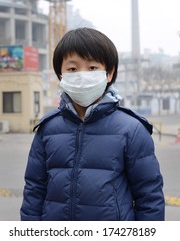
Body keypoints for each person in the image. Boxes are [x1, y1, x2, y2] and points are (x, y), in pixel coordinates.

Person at [20, 28, 165, 221]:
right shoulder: (48, 129)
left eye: (92, 68)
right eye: (72, 69)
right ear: (60, 75)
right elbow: (34, 191)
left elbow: (149, 196)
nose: (82, 75)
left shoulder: (132, 129)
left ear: (109, 73)